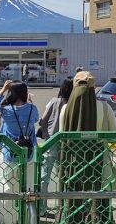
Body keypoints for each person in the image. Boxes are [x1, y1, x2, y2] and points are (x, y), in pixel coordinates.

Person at [57, 71, 116, 223]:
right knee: (100, 195)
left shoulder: (65, 109)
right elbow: (114, 136)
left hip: (72, 163)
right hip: (99, 162)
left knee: (74, 198)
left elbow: (61, 136)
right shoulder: (104, 108)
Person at [0, 80, 39, 224]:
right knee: (28, 186)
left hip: (10, 153)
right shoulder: (32, 109)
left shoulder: (6, 110)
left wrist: (3, 89)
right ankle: (28, 218)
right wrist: (31, 102)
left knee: (7, 185)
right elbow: (36, 119)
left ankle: (8, 219)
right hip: (29, 154)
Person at [38, 78, 73, 216]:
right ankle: (64, 208)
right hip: (68, 144)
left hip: (51, 141)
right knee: (65, 176)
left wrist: (47, 134)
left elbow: (43, 121)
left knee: (44, 176)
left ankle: (41, 209)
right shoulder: (74, 104)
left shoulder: (54, 101)